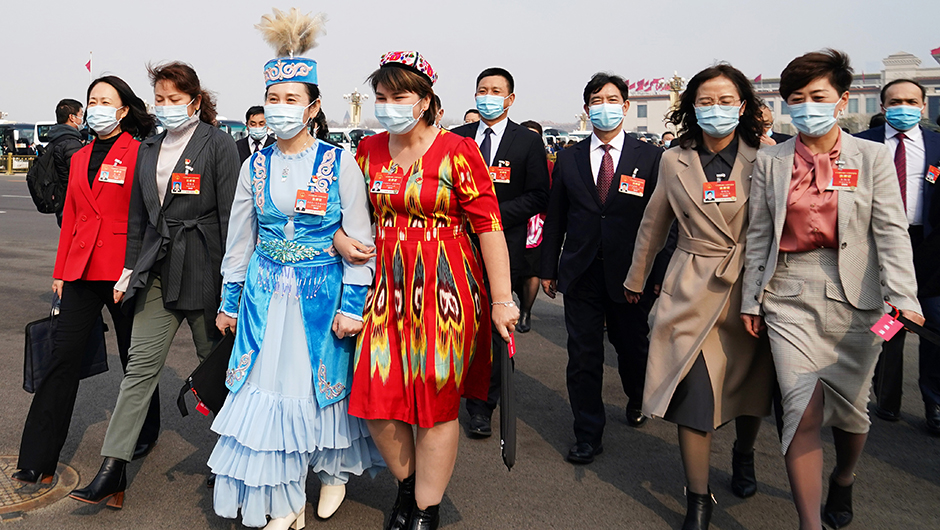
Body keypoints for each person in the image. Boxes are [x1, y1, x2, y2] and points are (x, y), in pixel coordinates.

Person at [208, 10, 385, 528]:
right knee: (270, 392)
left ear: (313, 107)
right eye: (273, 99)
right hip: (265, 296)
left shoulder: (339, 162)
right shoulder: (254, 164)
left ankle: (332, 473)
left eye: (291, 99)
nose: (280, 108)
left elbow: (362, 242)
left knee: (318, 388)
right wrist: (229, 302)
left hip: (322, 296)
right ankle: (287, 501)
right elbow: (240, 241)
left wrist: (353, 307)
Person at [741, 49, 924, 530]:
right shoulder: (771, 160)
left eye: (818, 96)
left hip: (859, 297)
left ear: (842, 100)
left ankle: (844, 476)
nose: (808, 106)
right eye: (797, 97)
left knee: (852, 411)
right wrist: (751, 299)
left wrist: (904, 298)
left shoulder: (873, 157)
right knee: (800, 408)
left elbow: (891, 232)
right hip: (788, 294)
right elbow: (758, 234)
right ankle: (809, 523)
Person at [338, 50, 517, 530]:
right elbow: (343, 213)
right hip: (382, 288)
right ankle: (408, 483)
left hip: (446, 289)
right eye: (381, 97)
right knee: (376, 399)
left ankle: (425, 508)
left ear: (424, 100)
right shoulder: (366, 151)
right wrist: (339, 238)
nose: (388, 105)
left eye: (399, 96)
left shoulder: (459, 151)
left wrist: (502, 299)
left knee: (435, 406)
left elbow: (489, 227)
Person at [69, 61, 240, 508]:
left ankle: (236, 458)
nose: (166, 107)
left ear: (195, 102)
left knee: (215, 370)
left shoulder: (218, 144)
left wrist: (233, 289)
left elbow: (233, 221)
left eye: (175, 99)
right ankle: (112, 470)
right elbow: (140, 218)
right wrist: (129, 271)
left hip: (205, 269)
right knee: (139, 369)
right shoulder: (149, 147)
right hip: (159, 270)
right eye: (160, 99)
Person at [624, 64, 775, 530]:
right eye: (706, 101)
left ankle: (744, 453)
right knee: (694, 396)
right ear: (691, 106)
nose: (716, 109)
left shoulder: (768, 157)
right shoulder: (675, 160)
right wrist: (636, 278)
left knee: (749, 389)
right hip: (692, 287)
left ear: (743, 106)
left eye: (726, 101)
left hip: (750, 291)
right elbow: (654, 223)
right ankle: (698, 498)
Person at [11, 76, 158, 487]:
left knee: (134, 356)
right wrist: (60, 271)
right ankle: (38, 457)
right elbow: (73, 217)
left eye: (106, 101)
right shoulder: (79, 156)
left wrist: (133, 269)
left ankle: (145, 431)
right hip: (80, 269)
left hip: (123, 272)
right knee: (62, 358)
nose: (97, 107)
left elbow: (147, 218)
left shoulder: (140, 153)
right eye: (93, 100)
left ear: (123, 110)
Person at [540, 72, 668, 465]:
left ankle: (637, 396)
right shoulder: (570, 157)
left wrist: (656, 275)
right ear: (586, 108)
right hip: (581, 272)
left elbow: (664, 222)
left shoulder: (650, 157)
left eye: (612, 100)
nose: (604, 107)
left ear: (626, 107)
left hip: (631, 275)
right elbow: (555, 218)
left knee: (632, 349)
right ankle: (587, 433)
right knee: (583, 356)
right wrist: (548, 267)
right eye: (596, 101)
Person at [451, 67, 550, 438]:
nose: (487, 96)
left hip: (503, 245)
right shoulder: (456, 137)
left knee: (494, 328)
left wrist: (489, 217)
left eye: (495, 91)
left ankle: (482, 407)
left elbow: (538, 195)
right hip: (456, 245)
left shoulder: (527, 142)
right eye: (482, 90)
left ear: (510, 99)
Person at [856, 78, 940, 433]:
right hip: (880, 246)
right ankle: (886, 399)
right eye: (895, 102)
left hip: (929, 248)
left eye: (910, 101)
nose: (903, 107)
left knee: (934, 322)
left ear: (922, 106)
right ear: (883, 106)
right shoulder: (861, 143)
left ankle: (935, 402)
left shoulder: (937, 144)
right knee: (888, 324)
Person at [517, 119, 554, 335]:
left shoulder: (549, 166)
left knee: (531, 270)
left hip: (536, 224)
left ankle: (526, 311)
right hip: (513, 220)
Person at [44, 99, 86, 227]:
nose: (82, 119)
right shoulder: (71, 143)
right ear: (72, 118)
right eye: (81, 115)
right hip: (70, 201)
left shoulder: (55, 138)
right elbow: (78, 176)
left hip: (60, 197)